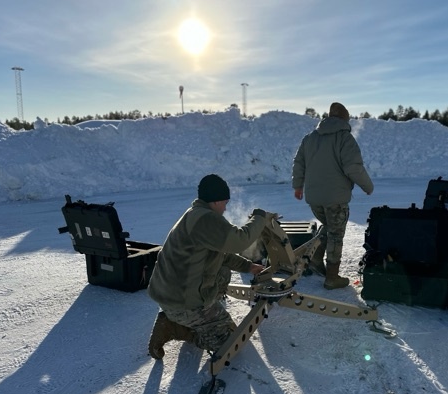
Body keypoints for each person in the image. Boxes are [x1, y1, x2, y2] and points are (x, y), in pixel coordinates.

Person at [147, 174, 274, 359]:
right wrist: (259, 218)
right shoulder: (206, 219)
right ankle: (176, 327)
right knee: (230, 342)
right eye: (225, 203)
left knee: (222, 271)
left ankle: (190, 317)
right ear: (215, 201)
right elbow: (239, 241)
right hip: (182, 302)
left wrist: (248, 266)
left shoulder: (195, 214)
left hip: (170, 294)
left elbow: (220, 254)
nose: (225, 208)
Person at [292, 102, 374, 290]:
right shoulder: (345, 138)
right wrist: (367, 186)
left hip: (314, 198)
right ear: (345, 119)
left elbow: (299, 163)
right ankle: (332, 277)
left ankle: (315, 259)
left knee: (328, 227)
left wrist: (298, 186)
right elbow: (353, 167)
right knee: (336, 234)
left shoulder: (310, 138)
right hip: (336, 199)